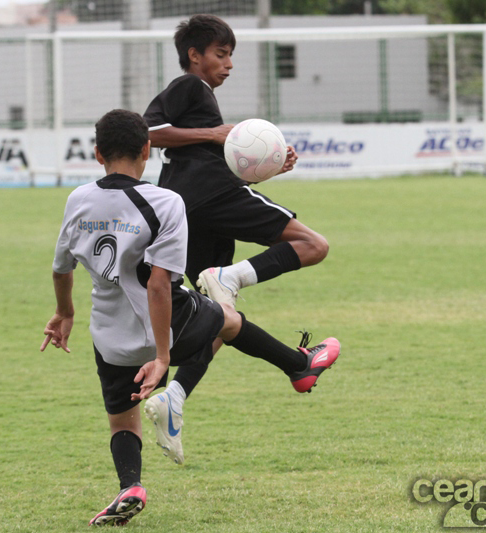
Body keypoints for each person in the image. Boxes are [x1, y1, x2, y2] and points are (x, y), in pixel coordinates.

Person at [41, 109, 340, 526]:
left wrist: (63, 313)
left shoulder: (78, 200)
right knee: (226, 319)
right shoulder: (165, 201)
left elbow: (61, 267)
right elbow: (160, 286)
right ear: (147, 150)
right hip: (167, 326)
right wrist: (163, 357)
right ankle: (297, 366)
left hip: (111, 336)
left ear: (96, 154)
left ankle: (131, 486)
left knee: (122, 420)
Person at [142, 14, 333, 461]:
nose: (228, 64)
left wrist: (268, 164)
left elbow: (210, 153)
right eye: (221, 54)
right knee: (314, 245)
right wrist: (213, 132)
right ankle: (230, 278)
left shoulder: (200, 97)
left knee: (218, 318)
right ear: (195, 55)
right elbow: (147, 133)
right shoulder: (189, 86)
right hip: (207, 196)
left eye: (231, 56)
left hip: (186, 208)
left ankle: (176, 398)